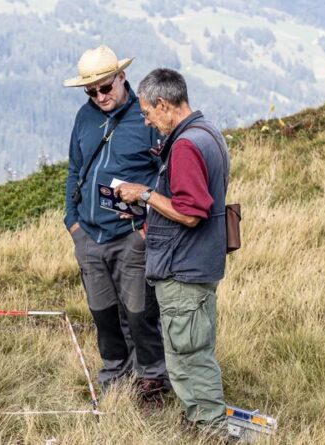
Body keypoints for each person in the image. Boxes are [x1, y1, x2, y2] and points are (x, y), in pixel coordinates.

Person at [116, 68, 230, 433]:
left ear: (163, 104)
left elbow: (192, 212)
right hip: (198, 263)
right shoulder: (208, 132)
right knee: (190, 348)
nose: (148, 121)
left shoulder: (184, 145)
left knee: (188, 355)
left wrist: (145, 195)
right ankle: (198, 418)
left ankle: (208, 427)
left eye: (148, 113)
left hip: (183, 268)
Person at [63, 45, 169, 403]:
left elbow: (166, 175)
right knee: (103, 313)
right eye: (91, 91)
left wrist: (145, 226)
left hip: (131, 236)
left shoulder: (147, 119)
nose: (99, 96)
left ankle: (152, 377)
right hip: (89, 235)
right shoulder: (83, 117)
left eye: (105, 87)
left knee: (140, 313)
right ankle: (115, 374)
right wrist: (72, 223)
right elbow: (75, 170)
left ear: (122, 78)